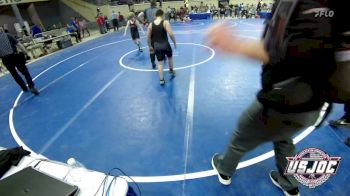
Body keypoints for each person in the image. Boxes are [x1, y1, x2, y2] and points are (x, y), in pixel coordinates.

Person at [208, 0, 339, 195]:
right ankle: (290, 184)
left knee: (242, 134)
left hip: (284, 99)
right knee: (283, 137)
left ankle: (224, 169)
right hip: (312, 102)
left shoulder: (298, 5)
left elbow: (281, 51)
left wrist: (233, 44)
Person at [0, 30, 39, 95]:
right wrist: (25, 53)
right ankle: (31, 86)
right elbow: (19, 44)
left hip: (5, 59)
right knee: (25, 71)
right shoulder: (7, 35)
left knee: (14, 74)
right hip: (14, 56)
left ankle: (23, 87)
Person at [147, 9, 176, 85]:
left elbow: (148, 37)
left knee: (160, 63)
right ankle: (171, 70)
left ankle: (161, 80)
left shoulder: (151, 24)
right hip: (166, 45)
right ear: (162, 15)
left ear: (156, 16)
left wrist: (150, 46)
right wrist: (174, 42)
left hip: (157, 46)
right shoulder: (165, 22)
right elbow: (170, 34)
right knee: (170, 57)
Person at [144, 0, 158, 69]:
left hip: (150, 29)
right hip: (158, 28)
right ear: (155, 4)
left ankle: (153, 62)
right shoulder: (158, 10)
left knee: (151, 46)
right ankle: (162, 57)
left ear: (150, 4)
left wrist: (144, 22)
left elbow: (140, 16)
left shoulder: (146, 10)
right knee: (160, 43)